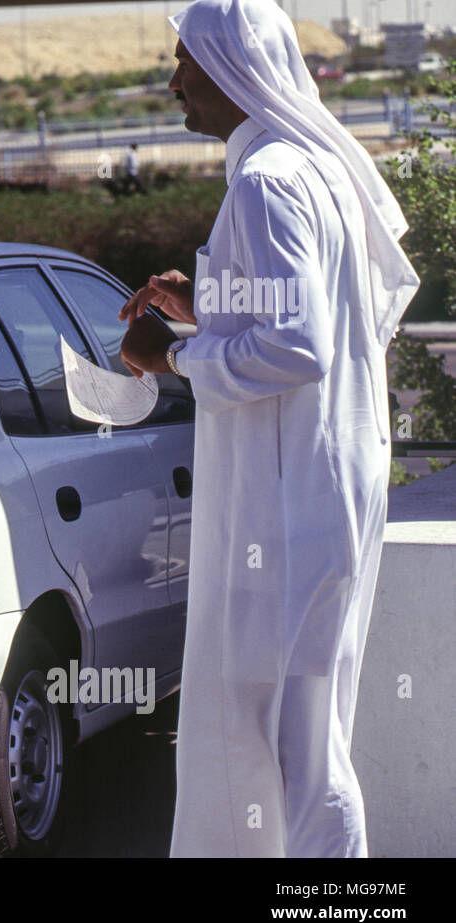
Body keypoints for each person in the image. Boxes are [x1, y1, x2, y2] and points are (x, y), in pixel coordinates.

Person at [118, 0, 418, 857]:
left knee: (296, 745)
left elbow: (298, 345)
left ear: (235, 70)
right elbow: (305, 312)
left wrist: (168, 359)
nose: (174, 80)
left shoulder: (266, 180)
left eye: (188, 62)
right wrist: (207, 304)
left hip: (288, 510)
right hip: (311, 491)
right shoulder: (305, 169)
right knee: (283, 731)